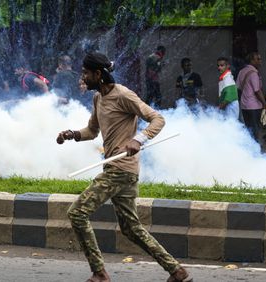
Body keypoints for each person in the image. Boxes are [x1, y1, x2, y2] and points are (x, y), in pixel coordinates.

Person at [56, 52, 192, 282]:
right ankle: (177, 271)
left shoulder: (123, 95)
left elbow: (157, 118)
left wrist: (138, 139)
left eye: (86, 73)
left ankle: (99, 273)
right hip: (119, 171)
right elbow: (92, 131)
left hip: (121, 170)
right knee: (131, 228)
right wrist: (72, 134)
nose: (82, 78)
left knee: (77, 213)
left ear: (98, 74)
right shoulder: (99, 98)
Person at [236, 52, 266, 144]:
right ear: (251, 60)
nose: (260, 61)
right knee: (255, 130)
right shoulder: (254, 73)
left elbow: (238, 87)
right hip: (254, 106)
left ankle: (249, 150)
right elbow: (257, 91)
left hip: (244, 106)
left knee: (248, 129)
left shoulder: (241, 71)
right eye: (258, 59)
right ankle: (255, 151)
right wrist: (265, 104)